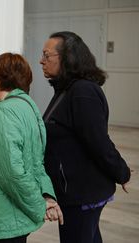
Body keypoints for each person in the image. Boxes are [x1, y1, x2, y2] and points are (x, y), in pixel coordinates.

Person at [0, 53, 63, 243]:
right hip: (9, 218)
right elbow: (35, 162)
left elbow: (11, 172)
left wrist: (38, 206)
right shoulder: (27, 107)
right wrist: (46, 196)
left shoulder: (2, 113)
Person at [40, 31, 131, 243]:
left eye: (47, 55)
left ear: (68, 58)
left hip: (82, 192)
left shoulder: (82, 92)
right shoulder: (65, 90)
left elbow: (98, 142)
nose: (41, 61)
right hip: (73, 190)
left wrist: (122, 172)